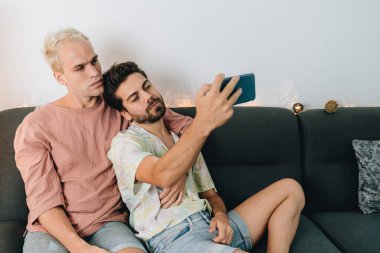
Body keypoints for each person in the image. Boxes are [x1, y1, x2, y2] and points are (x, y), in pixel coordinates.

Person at [14, 27, 198, 253]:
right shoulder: (36, 125)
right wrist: (81, 248)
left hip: (108, 223)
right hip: (51, 230)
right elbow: (44, 203)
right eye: (80, 68)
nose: (94, 72)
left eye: (94, 61)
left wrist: (180, 170)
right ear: (60, 77)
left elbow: (191, 128)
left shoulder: (121, 104)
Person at [103, 61, 306, 253]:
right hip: (176, 239)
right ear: (125, 114)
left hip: (213, 228)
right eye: (134, 97)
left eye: (147, 86)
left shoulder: (183, 138)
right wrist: (204, 121)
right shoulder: (124, 144)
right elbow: (161, 174)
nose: (148, 96)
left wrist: (220, 216)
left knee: (291, 189)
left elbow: (211, 195)